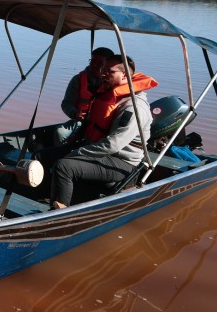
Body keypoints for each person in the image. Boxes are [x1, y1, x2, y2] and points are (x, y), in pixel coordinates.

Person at [50, 54, 158, 209]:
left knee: (64, 166)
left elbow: (113, 145)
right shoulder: (108, 95)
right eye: (103, 70)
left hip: (122, 162)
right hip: (101, 152)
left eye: (109, 71)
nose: (103, 74)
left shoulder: (134, 108)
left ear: (125, 75)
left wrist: (78, 152)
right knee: (43, 156)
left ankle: (58, 215)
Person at [55, 46, 115, 144]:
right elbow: (66, 103)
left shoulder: (113, 83)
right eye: (92, 61)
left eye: (100, 63)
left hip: (104, 125)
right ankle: (62, 156)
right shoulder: (78, 80)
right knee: (60, 132)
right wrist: (74, 113)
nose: (95, 65)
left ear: (109, 66)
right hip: (81, 122)